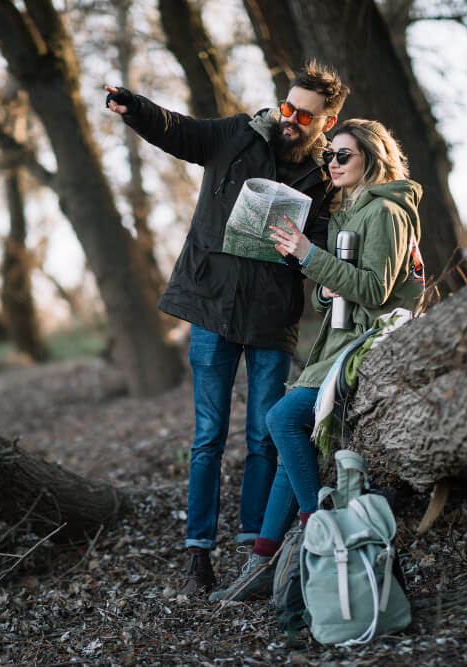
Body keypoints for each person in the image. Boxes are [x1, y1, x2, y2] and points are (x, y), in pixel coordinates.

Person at [104, 62, 350, 596]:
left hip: (271, 317)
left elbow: (327, 248)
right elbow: (180, 130)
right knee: (208, 438)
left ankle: (252, 552)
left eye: (303, 114)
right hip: (211, 307)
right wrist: (136, 107)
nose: (289, 118)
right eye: (286, 107)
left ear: (326, 121)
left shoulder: (325, 174)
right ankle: (198, 554)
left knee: (265, 436)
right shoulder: (237, 134)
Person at [210, 118, 426, 602]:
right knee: (292, 452)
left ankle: (318, 526)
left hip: (370, 346)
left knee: (282, 419)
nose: (331, 163)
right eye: (329, 155)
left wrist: (309, 254)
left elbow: (376, 291)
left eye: (342, 155)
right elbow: (342, 293)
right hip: (338, 342)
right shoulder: (352, 211)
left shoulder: (386, 212)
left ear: (371, 156)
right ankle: (262, 561)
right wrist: (325, 288)